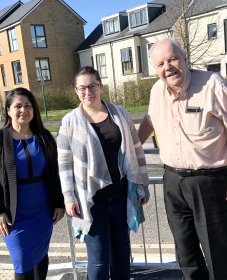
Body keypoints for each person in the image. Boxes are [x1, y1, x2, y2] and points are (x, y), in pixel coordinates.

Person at [138, 38, 227, 280]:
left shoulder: (213, 85)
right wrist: (129, 149)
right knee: (186, 257)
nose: (168, 67)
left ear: (185, 59)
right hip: (173, 182)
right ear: (155, 69)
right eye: (161, 63)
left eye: (173, 59)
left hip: (211, 183)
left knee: (218, 258)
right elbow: (150, 120)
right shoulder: (157, 90)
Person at [57, 66, 150, 280]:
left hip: (121, 197)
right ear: (76, 91)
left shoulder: (119, 113)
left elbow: (136, 150)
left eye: (92, 86)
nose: (87, 92)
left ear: (101, 86)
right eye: (82, 88)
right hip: (91, 201)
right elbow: (64, 164)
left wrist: (142, 184)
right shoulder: (69, 122)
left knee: (121, 255)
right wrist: (69, 197)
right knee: (98, 261)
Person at [0, 88, 65, 280]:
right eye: (18, 106)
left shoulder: (44, 137)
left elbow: (55, 173)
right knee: (22, 263)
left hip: (42, 213)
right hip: (13, 216)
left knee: (40, 256)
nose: (23, 110)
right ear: (8, 110)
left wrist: (59, 202)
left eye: (28, 105)